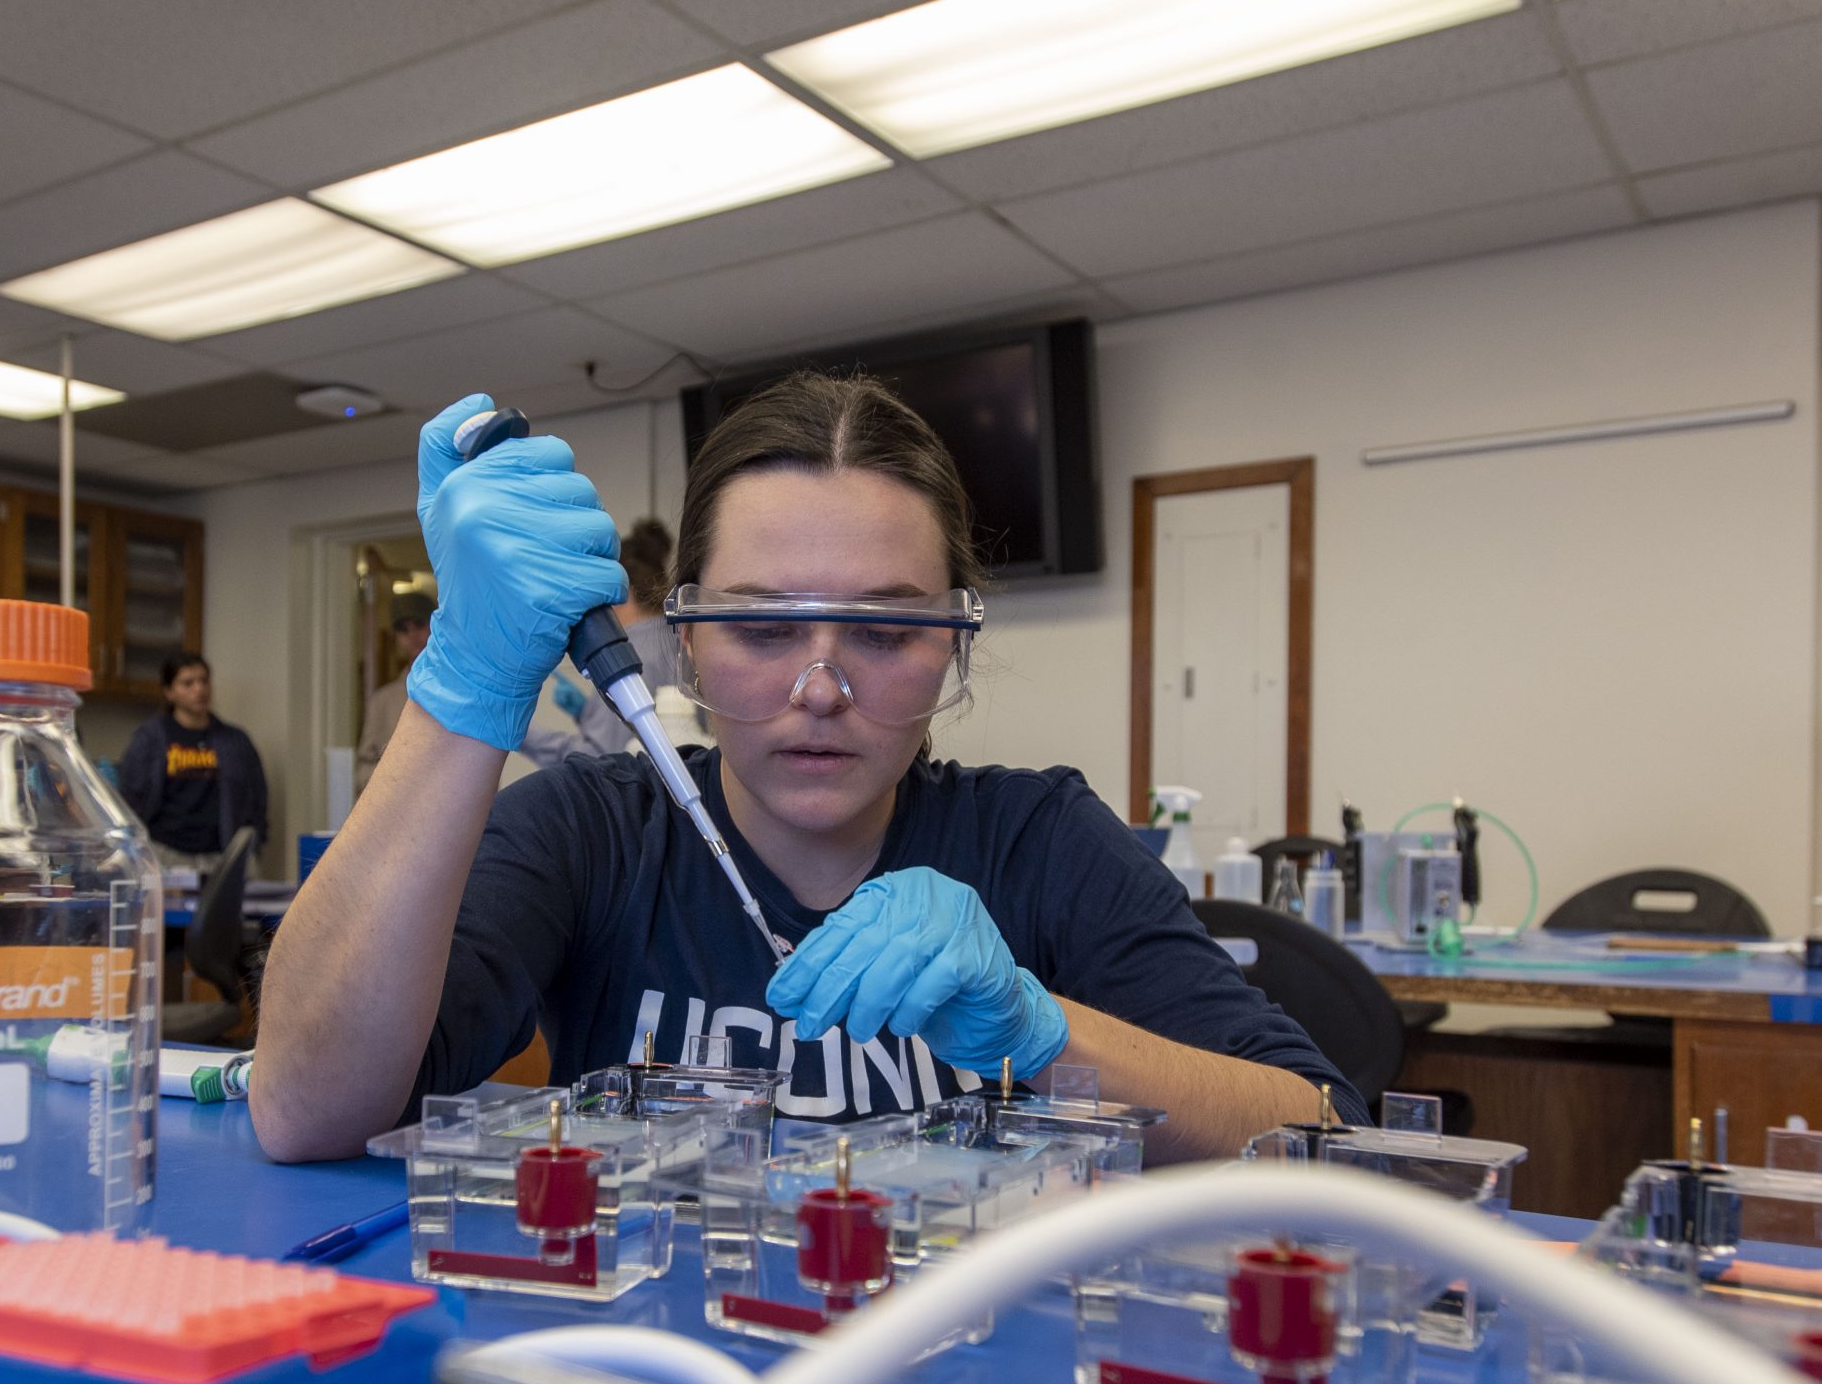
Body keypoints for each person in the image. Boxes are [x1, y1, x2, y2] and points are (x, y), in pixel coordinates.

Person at [249, 378, 1359, 1165]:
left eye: (882, 634)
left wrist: (1043, 1031)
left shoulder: (1039, 839)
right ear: (681, 641)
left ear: (953, 646)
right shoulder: (592, 831)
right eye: (761, 628)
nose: (820, 688)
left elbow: (1322, 1137)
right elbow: (303, 1110)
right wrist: (467, 679)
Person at [516, 516, 679, 769]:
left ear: (625, 591)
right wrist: (587, 713)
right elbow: (637, 734)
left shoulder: (630, 653)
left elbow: (600, 759)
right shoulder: (675, 638)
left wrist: (522, 733)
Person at [118, 651, 268, 876]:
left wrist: (254, 844)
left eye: (204, 680)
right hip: (166, 855)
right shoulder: (150, 738)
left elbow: (257, 799)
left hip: (223, 856)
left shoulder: (235, 741)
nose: (199, 689)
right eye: (187, 683)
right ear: (169, 692)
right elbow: (130, 798)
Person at [353, 593, 432, 797]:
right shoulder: (383, 701)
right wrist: (391, 780)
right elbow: (363, 768)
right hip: (396, 804)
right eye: (403, 629)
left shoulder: (462, 691)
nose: (412, 635)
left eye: (418, 625)